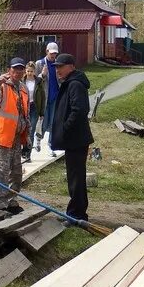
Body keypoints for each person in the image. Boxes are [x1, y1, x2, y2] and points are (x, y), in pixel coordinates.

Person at [0, 58, 31, 213]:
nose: (18, 72)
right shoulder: (0, 86)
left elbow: (25, 114)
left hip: (16, 139)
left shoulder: (23, 89)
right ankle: (0, 206)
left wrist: (27, 135)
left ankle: (11, 201)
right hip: (1, 137)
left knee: (16, 173)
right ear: (9, 70)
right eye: (15, 69)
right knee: (0, 174)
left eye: (21, 69)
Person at [50, 53, 93, 223]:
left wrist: (65, 128)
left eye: (60, 67)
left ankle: (77, 214)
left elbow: (79, 110)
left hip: (76, 139)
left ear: (71, 67)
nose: (58, 70)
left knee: (76, 179)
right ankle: (75, 211)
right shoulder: (70, 83)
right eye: (56, 67)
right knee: (75, 177)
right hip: (74, 140)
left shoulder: (75, 84)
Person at [36, 42, 60, 157]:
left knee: (53, 122)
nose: (53, 56)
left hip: (55, 96)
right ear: (46, 52)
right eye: (51, 53)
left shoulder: (58, 64)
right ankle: (38, 140)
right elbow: (35, 81)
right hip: (44, 97)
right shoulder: (39, 64)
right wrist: (43, 75)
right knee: (43, 123)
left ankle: (50, 145)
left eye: (55, 53)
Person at [22, 63, 39, 164]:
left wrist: (41, 111)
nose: (29, 73)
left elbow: (42, 96)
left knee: (31, 130)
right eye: (28, 71)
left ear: (34, 72)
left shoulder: (38, 82)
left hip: (34, 107)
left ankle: (28, 154)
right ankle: (23, 151)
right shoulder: (21, 81)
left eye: (31, 71)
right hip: (24, 107)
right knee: (23, 129)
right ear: (25, 71)